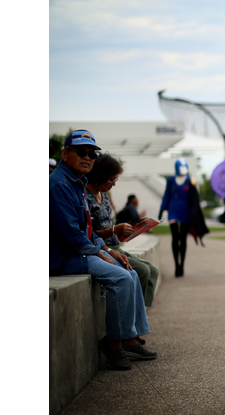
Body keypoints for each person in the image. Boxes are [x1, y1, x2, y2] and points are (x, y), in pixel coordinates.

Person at [49, 130, 157, 371]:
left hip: (81, 250)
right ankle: (113, 344)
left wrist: (107, 250)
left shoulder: (77, 182)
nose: (87, 157)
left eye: (91, 153)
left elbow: (86, 231)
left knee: (130, 272)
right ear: (65, 155)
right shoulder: (58, 185)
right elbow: (72, 235)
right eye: (81, 152)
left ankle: (130, 338)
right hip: (65, 257)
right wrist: (101, 252)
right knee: (120, 277)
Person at [85, 153, 160, 307]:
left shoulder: (104, 196)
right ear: (100, 176)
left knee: (153, 271)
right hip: (103, 249)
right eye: (112, 180)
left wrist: (123, 232)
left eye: (116, 180)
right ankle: (136, 314)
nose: (114, 184)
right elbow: (88, 233)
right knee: (143, 271)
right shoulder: (85, 197)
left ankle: (141, 312)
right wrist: (114, 229)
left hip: (115, 245)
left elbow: (109, 227)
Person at [159, 158, 209, 277]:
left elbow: (195, 197)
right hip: (173, 210)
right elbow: (167, 194)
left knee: (183, 238)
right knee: (175, 237)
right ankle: (177, 264)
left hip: (186, 211)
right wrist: (162, 209)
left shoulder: (190, 180)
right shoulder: (171, 180)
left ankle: (182, 265)